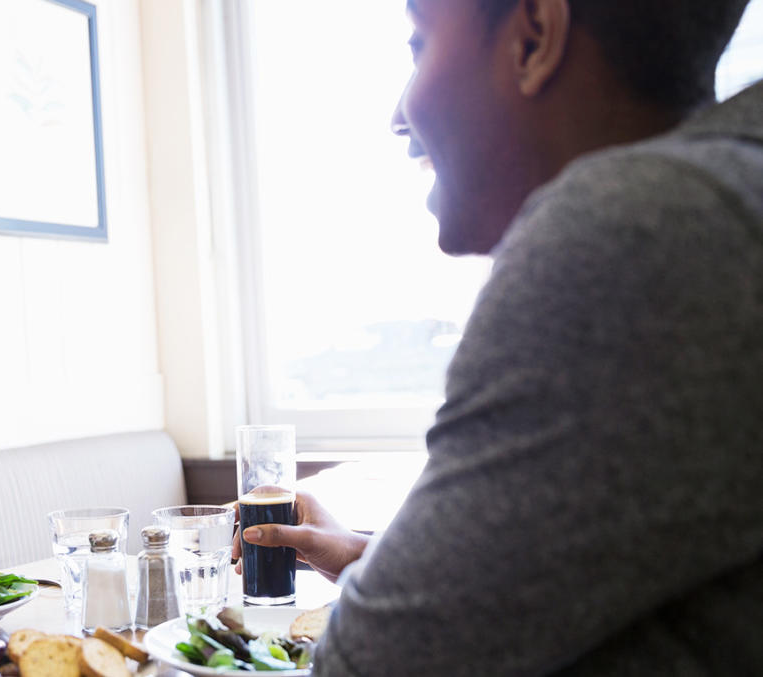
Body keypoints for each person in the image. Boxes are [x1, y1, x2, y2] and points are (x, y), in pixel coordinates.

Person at [235, 0, 763, 674]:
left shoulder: (630, 238)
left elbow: (371, 669)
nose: (400, 114)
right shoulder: (726, 202)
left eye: (419, 44)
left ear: (536, 36)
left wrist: (378, 610)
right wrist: (378, 562)